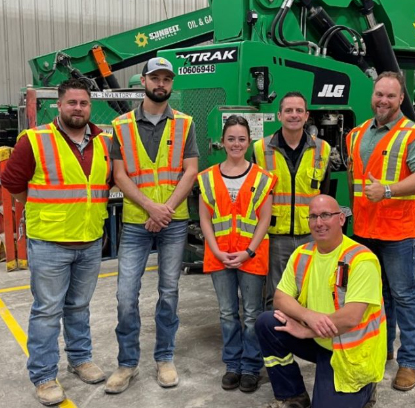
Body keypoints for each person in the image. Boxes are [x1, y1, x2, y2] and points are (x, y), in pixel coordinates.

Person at [1, 79, 112, 406]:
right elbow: (13, 185)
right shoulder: (34, 141)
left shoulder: (104, 142)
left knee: (79, 306)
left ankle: (80, 360)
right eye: (72, 103)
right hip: (50, 242)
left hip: (90, 239)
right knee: (47, 311)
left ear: (90, 107)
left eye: (84, 103)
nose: (78, 108)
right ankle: (45, 376)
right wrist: (43, 211)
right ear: (59, 106)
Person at [105, 57, 199, 394]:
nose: (161, 84)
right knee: (125, 296)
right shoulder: (122, 125)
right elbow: (119, 174)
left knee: (169, 292)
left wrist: (167, 209)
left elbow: (190, 171)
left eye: (166, 79)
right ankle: (127, 364)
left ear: (171, 85)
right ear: (142, 81)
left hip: (172, 221)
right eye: (155, 78)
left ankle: (165, 357)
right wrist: (150, 207)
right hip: (135, 221)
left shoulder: (185, 124)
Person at [346, 71, 415, 391]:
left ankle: (410, 362)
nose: (383, 100)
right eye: (379, 94)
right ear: (372, 96)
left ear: (401, 99)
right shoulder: (355, 134)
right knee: (376, 295)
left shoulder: (413, 135)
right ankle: (382, 349)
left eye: (390, 96)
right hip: (366, 230)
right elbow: (354, 181)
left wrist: (387, 191)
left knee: (405, 295)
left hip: (399, 231)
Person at [255, 195, 386, 408]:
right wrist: (307, 317)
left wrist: (309, 330)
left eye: (326, 215)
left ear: (341, 219)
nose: (319, 223)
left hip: (351, 352)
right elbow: (280, 297)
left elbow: (351, 317)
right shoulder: (303, 254)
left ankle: (368, 387)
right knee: (268, 323)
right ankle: (292, 395)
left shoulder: (361, 259)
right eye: (313, 216)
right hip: (320, 340)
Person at [198, 115, 276, 393]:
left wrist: (248, 251)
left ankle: (251, 367)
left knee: (253, 313)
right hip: (218, 255)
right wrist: (217, 249)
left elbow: (265, 219)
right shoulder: (207, 178)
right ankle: (232, 364)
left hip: (250, 256)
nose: (236, 143)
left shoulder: (263, 178)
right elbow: (204, 218)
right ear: (222, 141)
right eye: (231, 138)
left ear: (249, 141)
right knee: (228, 312)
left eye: (242, 138)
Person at [253, 92, 331, 310]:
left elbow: (324, 196)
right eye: (288, 110)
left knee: (310, 294)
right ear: (279, 115)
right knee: (276, 296)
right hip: (276, 238)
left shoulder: (322, 150)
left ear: (307, 116)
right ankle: (276, 341)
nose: (294, 115)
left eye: (299, 111)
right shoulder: (261, 149)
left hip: (311, 235)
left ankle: (303, 341)